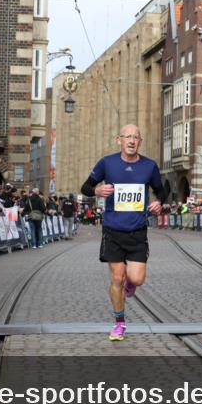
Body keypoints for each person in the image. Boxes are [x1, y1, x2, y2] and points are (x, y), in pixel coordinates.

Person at [80, 125, 166, 341]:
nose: (131, 140)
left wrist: (159, 202)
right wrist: (97, 190)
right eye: (127, 136)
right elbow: (85, 187)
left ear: (140, 141)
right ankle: (119, 323)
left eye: (135, 137)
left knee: (136, 279)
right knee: (117, 277)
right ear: (119, 139)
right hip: (112, 230)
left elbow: (162, 190)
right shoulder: (107, 163)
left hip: (137, 231)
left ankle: (131, 284)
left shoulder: (149, 166)